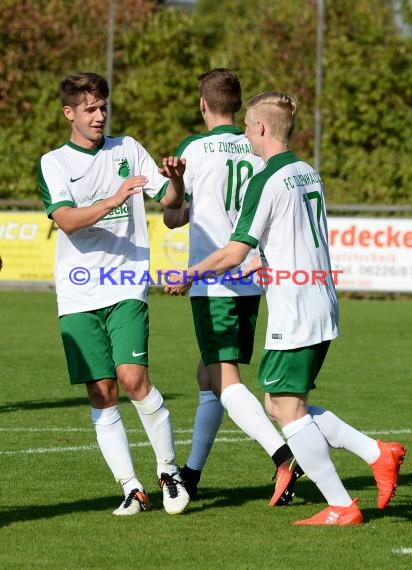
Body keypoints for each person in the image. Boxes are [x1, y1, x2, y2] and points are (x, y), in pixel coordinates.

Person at [165, 90, 406, 524]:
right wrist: (259, 265)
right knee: (278, 404)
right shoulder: (307, 172)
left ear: (260, 128)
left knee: (288, 411)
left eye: (247, 128)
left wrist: (189, 273)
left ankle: (341, 504)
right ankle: (377, 453)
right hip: (319, 301)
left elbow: (235, 250)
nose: (245, 135)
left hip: (295, 310)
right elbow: (282, 240)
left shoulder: (267, 179)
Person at [38, 72, 190, 516]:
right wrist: (114, 197)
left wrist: (176, 181)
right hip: (78, 292)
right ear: (70, 113)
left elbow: (169, 201)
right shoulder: (54, 162)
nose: (100, 115)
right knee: (101, 391)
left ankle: (169, 473)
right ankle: (131, 487)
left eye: (103, 107)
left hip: (126, 282)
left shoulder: (127, 148)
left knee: (132, 379)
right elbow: (65, 220)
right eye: (90, 109)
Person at [164, 68, 304, 505]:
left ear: (202, 104)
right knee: (208, 376)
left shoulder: (193, 149)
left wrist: (177, 185)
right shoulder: (257, 144)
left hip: (214, 277)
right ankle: (191, 474)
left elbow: (171, 214)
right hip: (249, 277)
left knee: (224, 380)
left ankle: (284, 455)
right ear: (240, 105)